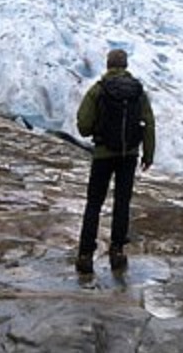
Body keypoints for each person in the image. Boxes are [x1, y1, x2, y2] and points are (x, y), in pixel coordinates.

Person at [75, 49, 155, 274]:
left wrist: (98, 132)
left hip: (102, 154)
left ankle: (85, 256)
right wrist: (148, 154)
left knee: (94, 203)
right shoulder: (138, 91)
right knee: (122, 203)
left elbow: (83, 125)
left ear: (108, 65)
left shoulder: (98, 90)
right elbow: (149, 122)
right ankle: (117, 252)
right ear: (126, 65)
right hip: (128, 155)